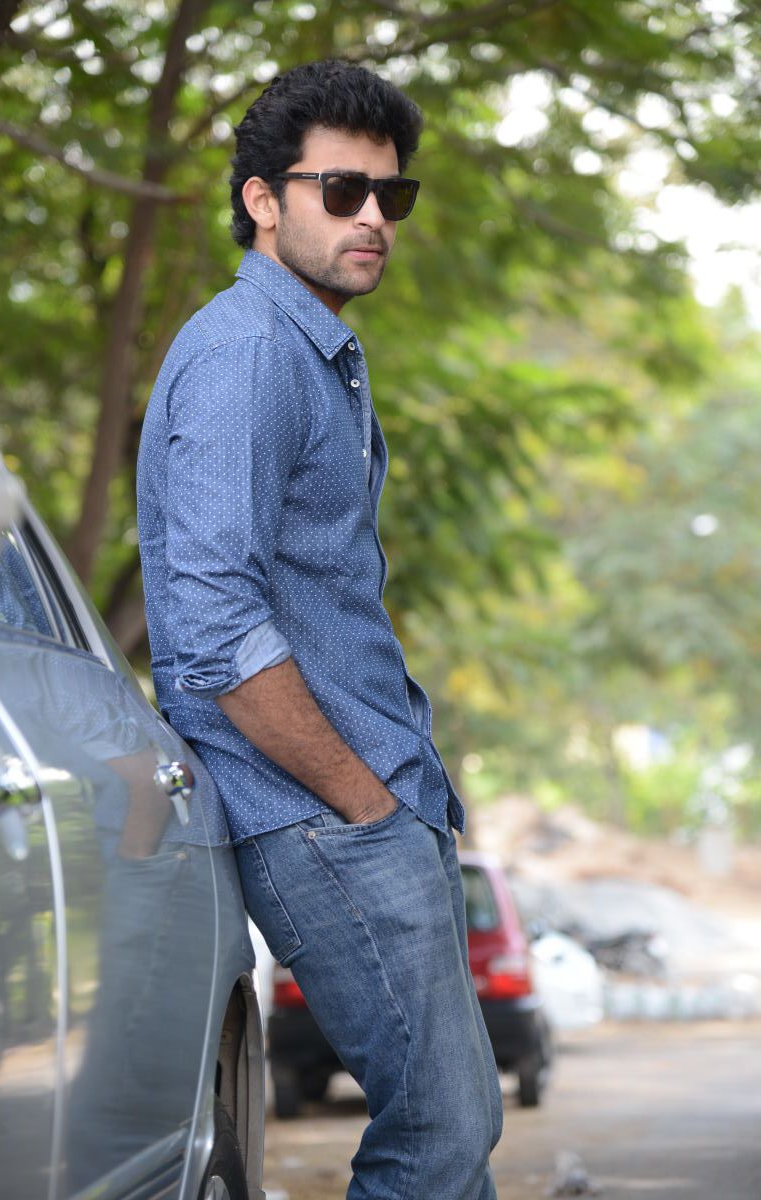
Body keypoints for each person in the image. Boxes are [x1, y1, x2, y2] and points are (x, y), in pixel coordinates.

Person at [137, 58, 502, 1200]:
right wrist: (361, 800)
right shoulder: (249, 356)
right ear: (261, 199)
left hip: (358, 802)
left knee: (454, 1130)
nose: (372, 218)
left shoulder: (309, 351)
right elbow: (212, 627)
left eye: (392, 195)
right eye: (341, 191)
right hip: (318, 813)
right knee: (439, 1134)